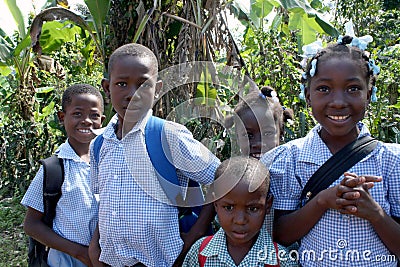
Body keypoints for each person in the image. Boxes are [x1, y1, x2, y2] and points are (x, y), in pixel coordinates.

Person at [261, 31, 400, 266]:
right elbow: (281, 235)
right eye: (324, 89)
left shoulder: (391, 161)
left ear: (369, 94)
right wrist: (322, 201)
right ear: (308, 96)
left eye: (353, 88)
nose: (338, 101)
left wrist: (375, 213)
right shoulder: (291, 159)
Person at [88, 43, 220, 267]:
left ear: (157, 89)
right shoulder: (100, 145)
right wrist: (95, 246)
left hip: (164, 261)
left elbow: (220, 177)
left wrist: (194, 235)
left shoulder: (168, 136)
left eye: (143, 85)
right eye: (121, 84)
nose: (132, 94)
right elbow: (106, 201)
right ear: (107, 88)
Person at [21, 83, 105, 266]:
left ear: (102, 120)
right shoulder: (54, 168)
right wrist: (81, 253)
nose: (87, 121)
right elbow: (31, 225)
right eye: (77, 114)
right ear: (61, 117)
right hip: (66, 261)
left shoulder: (109, 163)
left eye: (94, 115)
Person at [183, 156, 298, 266]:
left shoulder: (282, 260)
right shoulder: (199, 253)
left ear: (268, 205)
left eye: (253, 209)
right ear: (215, 203)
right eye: (229, 208)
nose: (240, 220)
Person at [226, 85, 293, 160]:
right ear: (238, 137)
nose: (258, 144)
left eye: (267, 133)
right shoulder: (233, 170)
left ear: (281, 134)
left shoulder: (290, 169)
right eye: (248, 135)